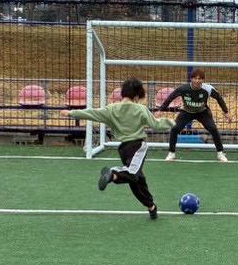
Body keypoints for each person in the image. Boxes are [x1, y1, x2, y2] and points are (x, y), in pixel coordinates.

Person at [69, 78, 174, 219]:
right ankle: (113, 174)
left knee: (137, 181)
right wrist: (174, 123)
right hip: (138, 146)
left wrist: (72, 113)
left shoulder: (112, 109)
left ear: (122, 94)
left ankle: (151, 206)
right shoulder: (140, 109)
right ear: (136, 96)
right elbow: (155, 124)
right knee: (132, 173)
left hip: (123, 149)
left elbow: (92, 113)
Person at [156, 69, 230, 162]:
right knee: (174, 129)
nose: (197, 81)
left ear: (203, 80)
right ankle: (171, 153)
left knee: (213, 129)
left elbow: (219, 98)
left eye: (200, 79)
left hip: (202, 112)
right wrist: (161, 110)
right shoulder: (183, 88)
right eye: (195, 78)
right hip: (187, 112)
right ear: (191, 79)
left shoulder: (208, 89)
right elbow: (171, 97)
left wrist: (226, 112)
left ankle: (220, 153)